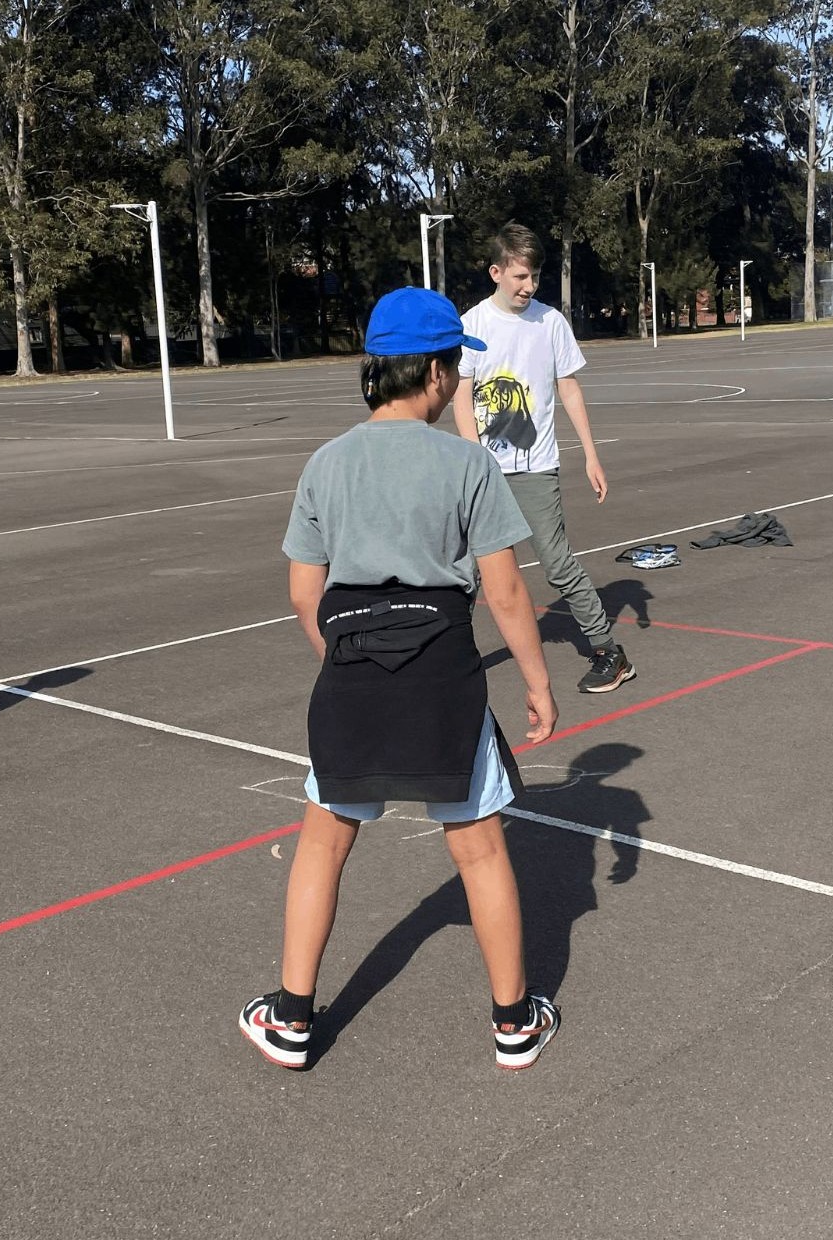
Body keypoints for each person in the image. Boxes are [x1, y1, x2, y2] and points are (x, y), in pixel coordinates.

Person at [240, 286, 562, 1071]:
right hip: (443, 669)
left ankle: (290, 1020)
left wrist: (348, 664)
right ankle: (514, 1023)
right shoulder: (467, 464)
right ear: (435, 373)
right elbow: (506, 590)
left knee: (322, 843)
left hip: (351, 669)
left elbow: (301, 593)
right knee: (480, 849)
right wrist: (538, 681)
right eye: (453, 364)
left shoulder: (326, 463)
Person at [452, 223, 634, 695]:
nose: (528, 286)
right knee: (468, 569)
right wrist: (475, 460)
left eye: (534, 278)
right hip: (485, 471)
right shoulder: (472, 325)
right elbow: (462, 396)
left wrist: (591, 455)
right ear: (497, 272)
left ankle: (609, 652)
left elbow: (568, 388)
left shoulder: (550, 322)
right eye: (519, 277)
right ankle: (447, 658)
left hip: (536, 467)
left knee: (556, 564)